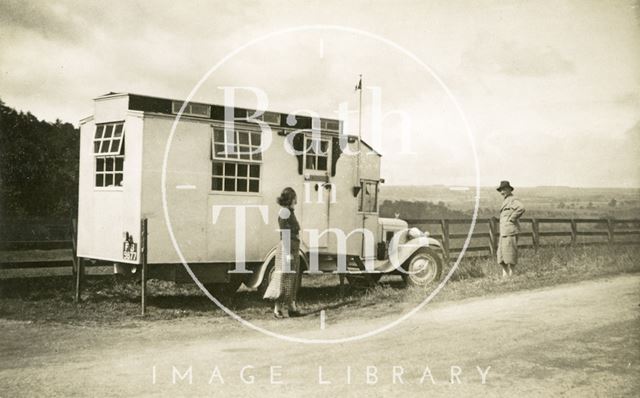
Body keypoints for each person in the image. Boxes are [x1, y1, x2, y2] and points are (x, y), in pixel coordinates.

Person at [264, 187, 303, 318]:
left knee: (292, 278)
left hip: (292, 247)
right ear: (291, 198)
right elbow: (285, 233)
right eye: (295, 197)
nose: (296, 200)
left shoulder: (289, 211)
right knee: (284, 277)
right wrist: (288, 253)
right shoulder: (285, 212)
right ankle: (278, 309)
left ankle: (291, 307)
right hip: (287, 247)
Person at [496, 181, 525, 277]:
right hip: (503, 231)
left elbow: (521, 208)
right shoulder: (505, 200)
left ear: (509, 189)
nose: (502, 192)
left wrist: (512, 218)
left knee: (510, 252)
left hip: (510, 231)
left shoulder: (512, 199)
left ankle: (512, 274)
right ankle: (505, 273)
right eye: (501, 190)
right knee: (501, 254)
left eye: (504, 189)